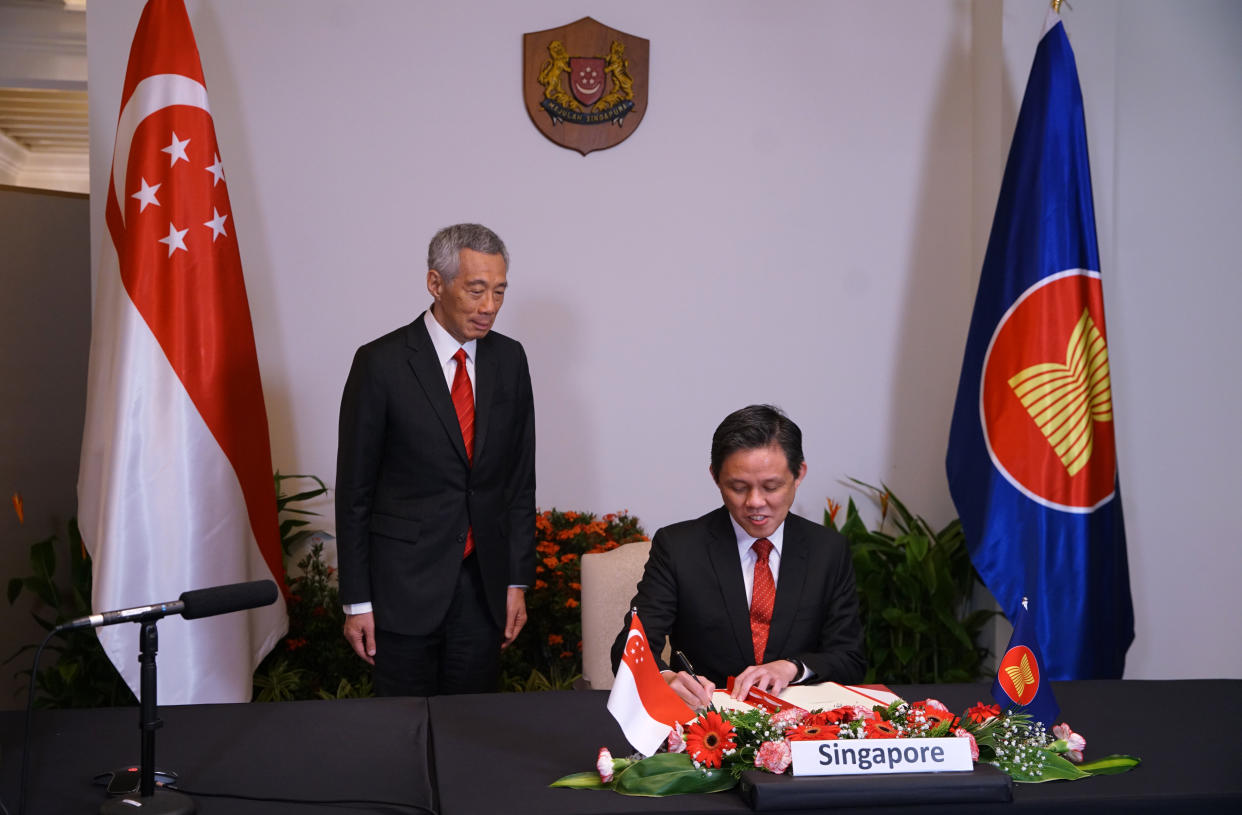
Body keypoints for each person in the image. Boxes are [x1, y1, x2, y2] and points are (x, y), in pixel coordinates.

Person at [336, 223, 535, 696]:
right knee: (401, 734)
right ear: (435, 284)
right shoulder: (380, 363)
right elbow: (354, 493)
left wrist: (516, 582)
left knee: (472, 732)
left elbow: (519, 483)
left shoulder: (510, 360)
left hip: (482, 587)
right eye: (476, 290)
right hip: (401, 590)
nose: (489, 307)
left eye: (500, 292)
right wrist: (356, 602)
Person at [611, 404, 864, 707]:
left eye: (771, 486)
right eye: (738, 487)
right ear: (716, 477)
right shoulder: (679, 547)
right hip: (706, 724)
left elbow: (850, 658)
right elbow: (629, 647)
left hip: (801, 724)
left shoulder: (828, 550)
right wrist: (666, 677)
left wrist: (793, 667)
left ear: (799, 475)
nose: (755, 502)